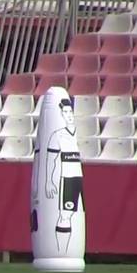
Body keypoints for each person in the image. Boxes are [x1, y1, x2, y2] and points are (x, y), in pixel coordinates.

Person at [44, 97, 83, 253]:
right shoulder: (57, 136)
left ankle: (70, 252)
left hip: (79, 178)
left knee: (77, 215)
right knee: (65, 215)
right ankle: (61, 253)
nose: (68, 115)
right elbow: (51, 160)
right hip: (67, 179)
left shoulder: (79, 133)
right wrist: (48, 181)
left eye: (70, 111)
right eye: (64, 112)